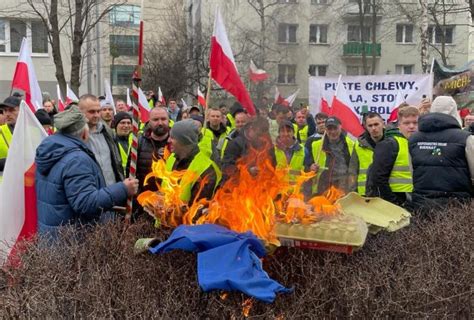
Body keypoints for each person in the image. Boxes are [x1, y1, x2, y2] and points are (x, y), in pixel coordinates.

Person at [35, 106, 139, 239]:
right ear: (84, 133)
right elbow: (86, 203)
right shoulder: (76, 160)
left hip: (52, 238)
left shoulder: (50, 151)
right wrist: (123, 189)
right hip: (72, 242)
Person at [409, 96, 474, 213]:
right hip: (458, 206)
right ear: (454, 112)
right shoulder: (466, 138)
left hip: (422, 204)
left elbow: (412, 172)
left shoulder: (414, 139)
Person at [366, 106, 419, 208]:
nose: (411, 126)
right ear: (399, 126)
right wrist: (395, 203)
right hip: (398, 201)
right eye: (407, 123)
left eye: (415, 123)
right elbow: (378, 178)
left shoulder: (420, 144)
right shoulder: (390, 144)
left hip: (415, 200)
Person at [165, 120, 221, 205]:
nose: (168, 140)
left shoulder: (207, 170)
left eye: (173, 137)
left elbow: (199, 210)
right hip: (162, 217)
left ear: (184, 140)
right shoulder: (171, 159)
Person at [78, 94, 124, 186]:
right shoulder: (76, 135)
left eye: (98, 111)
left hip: (113, 192)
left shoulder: (108, 132)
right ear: (80, 112)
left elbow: (116, 163)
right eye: (91, 112)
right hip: (91, 192)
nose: (96, 115)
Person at [305, 116, 354, 197]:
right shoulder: (315, 145)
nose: (333, 132)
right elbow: (306, 166)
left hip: (344, 190)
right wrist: (311, 167)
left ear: (340, 127)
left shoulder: (351, 144)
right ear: (325, 130)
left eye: (335, 128)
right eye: (329, 129)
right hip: (323, 189)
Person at [221, 116, 276, 183]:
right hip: (238, 186)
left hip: (260, 185)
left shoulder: (266, 143)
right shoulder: (235, 144)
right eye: (258, 135)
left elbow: (273, 164)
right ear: (251, 129)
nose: (261, 138)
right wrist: (247, 171)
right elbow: (227, 167)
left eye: (263, 135)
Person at [132, 107, 171, 194]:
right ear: (149, 121)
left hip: (170, 200)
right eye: (155, 119)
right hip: (144, 200)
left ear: (169, 120)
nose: (160, 123)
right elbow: (131, 172)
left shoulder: (177, 141)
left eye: (163, 119)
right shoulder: (139, 142)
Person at [348, 112, 385, 195]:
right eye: (370, 126)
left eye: (376, 124)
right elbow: (352, 171)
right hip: (364, 194)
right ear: (366, 127)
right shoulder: (358, 145)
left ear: (383, 123)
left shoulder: (392, 142)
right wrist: (352, 193)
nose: (374, 128)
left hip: (386, 193)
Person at [275, 121, 305, 190]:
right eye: (282, 131)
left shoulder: (303, 150)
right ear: (279, 133)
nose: (286, 134)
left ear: (293, 133)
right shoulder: (272, 151)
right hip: (278, 193)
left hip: (297, 194)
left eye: (288, 131)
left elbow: (308, 171)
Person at [0, 96, 21, 177]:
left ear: (21, 110)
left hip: (26, 185)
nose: (7, 114)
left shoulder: (33, 131)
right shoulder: (0, 131)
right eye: (5, 110)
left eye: (11, 110)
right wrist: (8, 162)